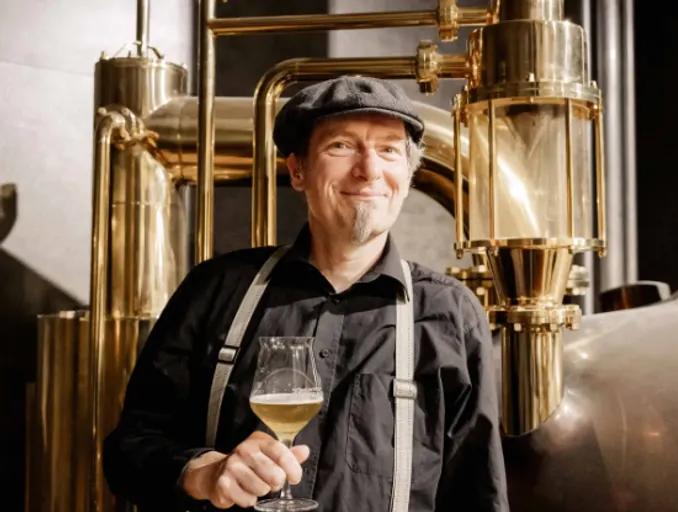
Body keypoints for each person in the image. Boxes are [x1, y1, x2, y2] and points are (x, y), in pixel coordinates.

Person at [102, 76, 509, 511]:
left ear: (407, 177)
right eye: (341, 146)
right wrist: (203, 472)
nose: (368, 169)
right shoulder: (218, 289)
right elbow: (128, 452)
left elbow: (478, 494)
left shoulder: (450, 312)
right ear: (298, 170)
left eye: (389, 150)